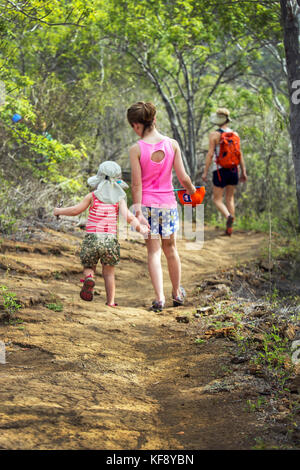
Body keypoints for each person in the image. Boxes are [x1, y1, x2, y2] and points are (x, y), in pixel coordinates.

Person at [127, 101, 196, 312]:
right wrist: (193, 192)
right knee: (171, 249)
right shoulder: (172, 144)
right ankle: (177, 293)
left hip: (147, 206)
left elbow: (136, 184)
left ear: (136, 125)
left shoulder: (136, 149)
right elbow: (183, 178)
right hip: (168, 204)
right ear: (154, 119)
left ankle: (159, 298)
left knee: (153, 252)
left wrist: (137, 211)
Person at [53, 161, 149, 306]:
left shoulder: (92, 196)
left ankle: (89, 277)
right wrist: (141, 229)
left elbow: (75, 210)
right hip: (110, 241)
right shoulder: (119, 199)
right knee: (109, 272)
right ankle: (110, 302)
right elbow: (128, 217)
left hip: (92, 239)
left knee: (88, 266)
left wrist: (59, 211)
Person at [202, 108, 248, 235]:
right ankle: (230, 228)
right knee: (230, 198)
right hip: (234, 170)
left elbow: (210, 154)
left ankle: (228, 216)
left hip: (219, 170)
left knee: (216, 199)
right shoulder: (236, 135)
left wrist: (205, 172)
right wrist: (243, 171)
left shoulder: (214, 135)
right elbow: (240, 155)